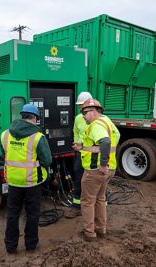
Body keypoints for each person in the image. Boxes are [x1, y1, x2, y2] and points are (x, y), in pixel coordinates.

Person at [0, 103, 52, 254]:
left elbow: (5, 154)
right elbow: (47, 160)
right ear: (34, 118)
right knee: (32, 214)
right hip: (32, 182)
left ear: (22, 116)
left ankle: (10, 246)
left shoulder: (5, 134)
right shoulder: (37, 137)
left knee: (12, 215)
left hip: (13, 182)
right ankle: (31, 245)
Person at [79, 98, 120, 242]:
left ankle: (89, 233)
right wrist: (82, 147)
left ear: (92, 111)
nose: (83, 116)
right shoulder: (107, 122)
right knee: (100, 199)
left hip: (96, 170)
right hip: (110, 169)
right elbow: (111, 140)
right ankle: (101, 229)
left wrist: (103, 164)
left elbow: (105, 141)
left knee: (87, 201)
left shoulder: (96, 125)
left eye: (84, 112)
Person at [65, 92, 92, 218]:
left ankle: (97, 206)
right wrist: (76, 145)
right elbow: (76, 133)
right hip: (80, 154)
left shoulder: (97, 119)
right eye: (79, 105)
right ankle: (77, 204)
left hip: (93, 155)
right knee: (78, 175)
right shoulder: (78, 118)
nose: (80, 108)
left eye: (82, 105)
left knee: (93, 180)